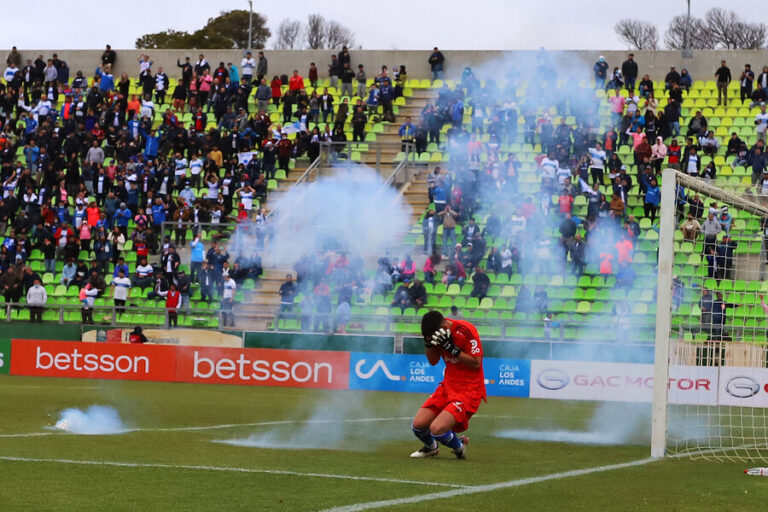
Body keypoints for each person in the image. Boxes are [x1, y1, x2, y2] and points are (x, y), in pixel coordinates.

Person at [410, 311, 484, 459]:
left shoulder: (466, 330)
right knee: (418, 425)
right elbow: (433, 361)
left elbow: (476, 363)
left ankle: (459, 447)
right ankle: (431, 448)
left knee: (436, 429)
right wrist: (429, 343)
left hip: (469, 389)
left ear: (444, 325)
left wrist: (452, 349)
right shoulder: (438, 333)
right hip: (448, 385)